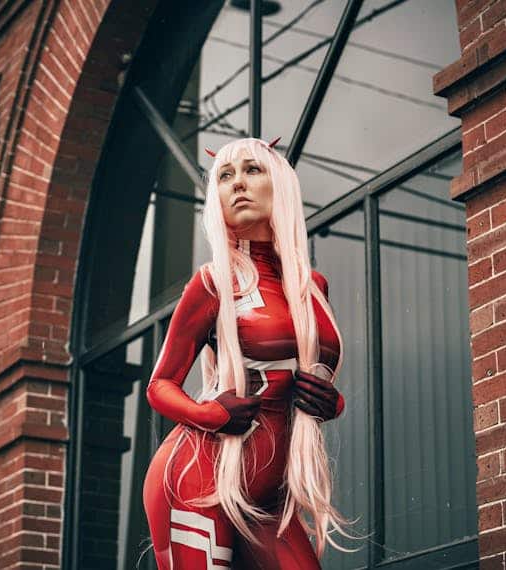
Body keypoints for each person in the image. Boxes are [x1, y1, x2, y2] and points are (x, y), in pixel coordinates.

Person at [142, 137, 355, 569]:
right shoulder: (213, 281)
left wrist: (333, 402)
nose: (237, 183)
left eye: (252, 170)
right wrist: (211, 414)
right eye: (225, 175)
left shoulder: (313, 286)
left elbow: (313, 375)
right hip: (201, 477)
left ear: (281, 185)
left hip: (272, 495)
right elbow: (160, 386)